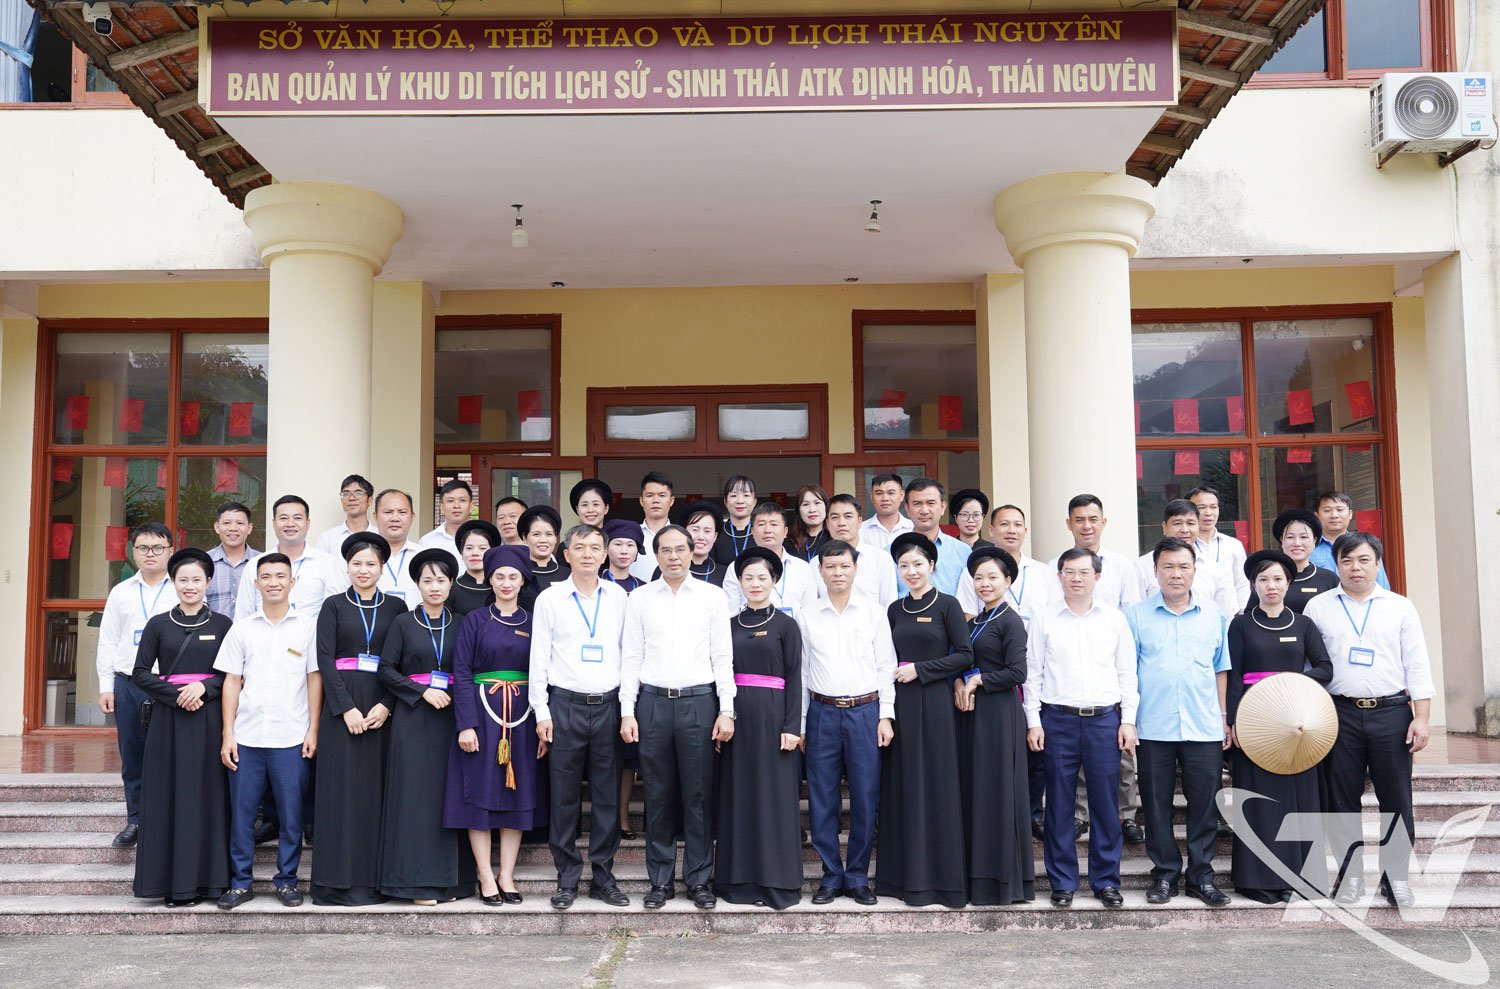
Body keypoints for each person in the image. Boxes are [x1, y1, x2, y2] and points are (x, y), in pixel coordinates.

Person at [1304, 531, 1434, 908]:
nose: (1355, 568)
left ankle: (1396, 879)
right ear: (1337, 565)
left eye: (1363, 560)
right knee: (1341, 800)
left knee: (1396, 799)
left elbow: (1418, 665)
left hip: (1392, 713)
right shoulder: (1320, 607)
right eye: (1347, 560)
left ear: (1378, 564)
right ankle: (1350, 877)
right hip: (1338, 714)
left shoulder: (1400, 607)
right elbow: (1310, 665)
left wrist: (1421, 718)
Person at [620, 525, 735, 911]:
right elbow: (631, 657)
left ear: (692, 552)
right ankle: (660, 881)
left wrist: (727, 709)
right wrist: (626, 710)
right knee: (657, 793)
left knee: (698, 795)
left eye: (680, 549)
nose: (673, 556)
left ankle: (699, 880)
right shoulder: (639, 599)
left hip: (699, 703)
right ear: (655, 555)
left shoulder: (712, 597)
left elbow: (723, 657)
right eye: (665, 550)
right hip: (652, 704)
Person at [1024, 548, 1138, 910]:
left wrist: (1128, 720)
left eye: (1084, 572)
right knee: (1059, 803)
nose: (1076, 578)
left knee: (1106, 804)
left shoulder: (1114, 619)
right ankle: (1063, 882)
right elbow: (1033, 674)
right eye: (1069, 571)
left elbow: (1127, 674)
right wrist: (1034, 721)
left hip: (1104, 720)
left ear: (1097, 577)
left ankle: (1106, 881)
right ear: (1059, 576)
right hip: (1057, 719)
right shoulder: (1044, 618)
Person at [528, 528, 632, 911]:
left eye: (595, 548)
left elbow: (629, 655)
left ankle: (603, 875)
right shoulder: (550, 598)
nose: (587, 554)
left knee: (607, 796)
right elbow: (538, 658)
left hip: (608, 705)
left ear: (605, 555)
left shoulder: (621, 598)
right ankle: (567, 876)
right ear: (566, 554)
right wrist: (541, 711)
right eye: (579, 548)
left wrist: (627, 709)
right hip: (564, 706)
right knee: (564, 795)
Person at [1130, 537, 1233, 908]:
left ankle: (1201, 877)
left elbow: (1221, 669)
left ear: (1194, 570)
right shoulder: (1136, 616)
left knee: (1204, 804)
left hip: (1203, 725)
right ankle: (1165, 875)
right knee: (1156, 805)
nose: (1176, 574)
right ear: (1155, 571)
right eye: (1168, 567)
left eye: (1183, 566)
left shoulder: (1213, 615)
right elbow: (1128, 672)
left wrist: (1223, 718)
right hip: (1153, 726)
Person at [1225, 550, 1333, 904]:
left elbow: (1324, 667)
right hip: (1254, 722)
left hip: (1295, 723)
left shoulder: (1302, 624)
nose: (1270, 586)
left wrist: (1289, 680)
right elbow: (1235, 677)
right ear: (1254, 585)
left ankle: (1301, 879)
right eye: (1263, 579)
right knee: (1259, 801)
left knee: (1297, 800)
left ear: (1289, 583)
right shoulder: (1241, 624)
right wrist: (1233, 722)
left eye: (1277, 579)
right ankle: (1259, 882)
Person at [214, 554, 321, 910]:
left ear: (292, 583)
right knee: (242, 815)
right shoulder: (243, 628)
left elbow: (313, 680)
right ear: (256, 583)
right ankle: (241, 882)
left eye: (280, 576)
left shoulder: (307, 627)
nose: (273, 581)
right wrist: (228, 734)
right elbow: (231, 681)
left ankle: (287, 881)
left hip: (291, 737)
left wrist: (313, 730)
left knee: (291, 816)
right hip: (247, 738)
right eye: (266, 576)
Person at [445, 544, 547, 905]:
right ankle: (485, 876)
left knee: (517, 794)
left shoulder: (535, 622)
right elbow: (460, 671)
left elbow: (543, 673)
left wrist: (541, 722)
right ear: (490, 579)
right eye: (499, 576)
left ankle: (507, 875)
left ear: (523, 581)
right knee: (480, 791)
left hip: (522, 716)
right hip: (482, 712)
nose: (506, 583)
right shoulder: (475, 619)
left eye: (513, 577)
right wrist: (465, 724)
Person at [131, 548, 234, 906]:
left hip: (209, 720)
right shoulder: (158, 624)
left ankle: (211, 881)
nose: (190, 586)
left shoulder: (223, 625)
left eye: (196, 579)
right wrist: (176, 694)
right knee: (170, 797)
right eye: (182, 580)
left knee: (208, 796)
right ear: (172, 583)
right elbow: (140, 672)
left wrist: (204, 688)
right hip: (169, 722)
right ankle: (174, 885)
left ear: (209, 582)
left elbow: (233, 675)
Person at [309, 532, 407, 906]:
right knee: (341, 794)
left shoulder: (397, 608)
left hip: (382, 710)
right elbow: (324, 659)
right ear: (346, 567)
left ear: (382, 568)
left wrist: (387, 705)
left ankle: (376, 881)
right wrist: (345, 707)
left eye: (371, 564)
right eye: (357, 564)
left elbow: (403, 662)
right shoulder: (333, 606)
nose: (363, 570)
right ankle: (336, 883)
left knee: (376, 795)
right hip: (342, 710)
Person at [877, 533, 972, 908]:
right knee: (903, 783)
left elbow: (964, 655)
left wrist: (922, 670)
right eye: (904, 566)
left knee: (936, 783)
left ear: (932, 566)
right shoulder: (894, 609)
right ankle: (901, 879)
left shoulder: (948, 605)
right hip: (900, 703)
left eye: (918, 564)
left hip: (935, 703)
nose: (911, 571)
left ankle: (942, 881)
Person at [377, 548, 476, 904]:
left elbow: (470, 671)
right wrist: (421, 692)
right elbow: (386, 670)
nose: (435, 587)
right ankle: (416, 884)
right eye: (427, 580)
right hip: (415, 718)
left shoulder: (464, 622)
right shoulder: (403, 623)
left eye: (442, 580)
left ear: (451, 584)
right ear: (417, 584)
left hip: (455, 717)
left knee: (451, 798)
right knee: (416, 797)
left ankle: (453, 883)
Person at [800, 540, 897, 906]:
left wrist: (885, 715)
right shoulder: (807, 615)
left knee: (865, 796)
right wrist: (804, 723)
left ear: (855, 569)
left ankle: (857, 876)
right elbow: (805, 673)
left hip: (865, 712)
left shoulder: (873, 612)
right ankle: (830, 874)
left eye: (844, 566)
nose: (837, 573)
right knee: (822, 798)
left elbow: (885, 666)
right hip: (823, 713)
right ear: (820, 570)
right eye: (830, 566)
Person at [715, 546, 805, 909]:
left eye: (762, 577)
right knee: (739, 797)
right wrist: (720, 718)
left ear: (774, 581)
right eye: (748, 577)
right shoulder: (728, 625)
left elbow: (796, 676)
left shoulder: (786, 625)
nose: (755, 583)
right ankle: (738, 881)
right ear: (739, 582)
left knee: (775, 800)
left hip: (775, 718)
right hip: (736, 719)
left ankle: (777, 884)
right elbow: (720, 674)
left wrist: (792, 726)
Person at [95, 521, 178, 849]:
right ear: (133, 552)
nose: (151, 554)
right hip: (129, 683)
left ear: (170, 551)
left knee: (172, 752)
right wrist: (106, 685)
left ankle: (168, 818)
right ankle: (137, 819)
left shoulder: (180, 588)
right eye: (143, 548)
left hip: (169, 684)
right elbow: (109, 639)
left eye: (158, 548)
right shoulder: (121, 592)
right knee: (133, 753)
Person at [961, 546, 1035, 906]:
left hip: (1000, 713)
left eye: (992, 577)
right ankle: (978, 876)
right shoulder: (975, 621)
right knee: (978, 792)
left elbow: (1017, 673)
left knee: (1000, 792)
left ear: (1008, 581)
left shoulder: (1010, 620)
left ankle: (1004, 881)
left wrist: (978, 681)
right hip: (973, 715)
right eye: (978, 577)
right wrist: (963, 681)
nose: (984, 583)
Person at [985, 503, 1059, 839]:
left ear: (1025, 531)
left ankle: (1032, 813)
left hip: (1038, 664)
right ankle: (1003, 814)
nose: (1011, 530)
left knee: (1036, 743)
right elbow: (965, 615)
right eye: (1004, 524)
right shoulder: (979, 570)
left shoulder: (1043, 572)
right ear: (992, 531)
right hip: (994, 669)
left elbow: (1056, 617)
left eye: (1017, 524)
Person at [234, 495, 344, 618]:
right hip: (263, 636)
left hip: (311, 636)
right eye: (283, 518)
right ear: (274, 523)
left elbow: (337, 612)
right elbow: (243, 615)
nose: (290, 524)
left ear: (308, 523)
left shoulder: (327, 563)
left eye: (297, 518)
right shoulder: (255, 564)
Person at [1135, 499, 1239, 617]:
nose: (1184, 529)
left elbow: (1225, 614)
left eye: (1190, 523)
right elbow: (1136, 612)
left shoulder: (1213, 568)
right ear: (1164, 527)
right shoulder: (1142, 566)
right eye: (1177, 523)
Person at [721, 503, 819, 620]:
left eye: (774, 524)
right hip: (750, 634)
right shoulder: (736, 568)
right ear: (752, 531)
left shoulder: (803, 568)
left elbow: (811, 612)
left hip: (794, 635)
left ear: (785, 531)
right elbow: (731, 613)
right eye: (761, 524)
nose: (767, 530)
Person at [1051, 494, 1140, 612]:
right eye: (1079, 520)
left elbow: (1132, 611)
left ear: (1103, 522)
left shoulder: (1122, 566)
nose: (1087, 526)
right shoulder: (1054, 567)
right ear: (1069, 524)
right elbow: (1052, 609)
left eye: (1093, 520)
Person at [903, 478, 980, 615]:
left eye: (931, 503)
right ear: (907, 509)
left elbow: (971, 601)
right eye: (917, 504)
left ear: (943, 507)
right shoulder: (891, 553)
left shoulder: (963, 552)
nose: (924, 510)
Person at [824, 494, 899, 607]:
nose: (841, 523)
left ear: (860, 522)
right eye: (835, 517)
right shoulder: (818, 563)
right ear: (828, 524)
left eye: (848, 516)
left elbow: (889, 605)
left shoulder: (880, 558)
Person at [1310, 492, 1390, 590]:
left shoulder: (1366, 546)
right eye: (1327, 510)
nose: (1334, 515)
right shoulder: (1308, 548)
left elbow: (1382, 586)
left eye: (1339, 510)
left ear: (1350, 514)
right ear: (1316, 515)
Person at [1268, 509, 1340, 612]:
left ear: (1314, 541)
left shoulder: (1330, 579)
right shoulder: (1267, 577)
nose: (1297, 543)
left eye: (1303, 537)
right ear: (1281, 541)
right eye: (1290, 537)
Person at [1188, 486, 1249, 604]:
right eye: (1201, 508)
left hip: (1230, 616)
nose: (1208, 513)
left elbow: (1242, 584)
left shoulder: (1233, 545)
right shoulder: (1185, 546)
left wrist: (1241, 612)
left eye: (1213, 507)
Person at [205, 501, 261, 620]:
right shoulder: (203, 563)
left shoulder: (262, 562)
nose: (233, 528)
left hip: (253, 635)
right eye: (226, 523)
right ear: (217, 527)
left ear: (249, 528)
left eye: (240, 523)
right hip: (213, 635)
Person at [371, 489, 422, 607]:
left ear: (412, 516)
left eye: (402, 512)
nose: (395, 518)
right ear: (375, 516)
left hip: (415, 624)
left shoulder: (425, 557)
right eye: (388, 512)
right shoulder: (361, 556)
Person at [630, 471, 676, 582]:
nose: (656, 500)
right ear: (641, 501)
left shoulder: (680, 536)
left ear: (671, 500)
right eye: (649, 495)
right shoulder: (631, 535)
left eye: (662, 495)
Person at [315, 474, 377, 557]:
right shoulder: (327, 538)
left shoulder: (380, 535)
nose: (351, 498)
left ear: (370, 500)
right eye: (346, 494)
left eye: (358, 493)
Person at [450, 519, 501, 616]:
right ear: (461, 552)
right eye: (469, 548)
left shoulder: (502, 587)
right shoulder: (451, 589)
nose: (475, 553)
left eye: (482, 548)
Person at [419, 479, 475, 562]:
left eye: (462, 500)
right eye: (450, 501)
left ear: (471, 506)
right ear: (441, 507)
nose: (456, 506)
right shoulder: (427, 541)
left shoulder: (484, 538)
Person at [521, 505, 571, 592]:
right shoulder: (518, 574)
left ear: (556, 538)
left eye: (549, 534)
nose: (543, 540)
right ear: (525, 538)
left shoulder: (569, 575)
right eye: (536, 534)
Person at [859, 473, 913, 552]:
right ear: (871, 497)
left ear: (902, 495)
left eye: (891, 493)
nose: (885, 498)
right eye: (879, 493)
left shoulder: (913, 528)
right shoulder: (860, 530)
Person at [712, 475, 758, 566]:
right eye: (733, 495)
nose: (740, 501)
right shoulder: (716, 533)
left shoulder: (763, 533)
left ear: (754, 501)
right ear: (725, 501)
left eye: (746, 495)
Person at [681, 501, 728, 586]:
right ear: (684, 533)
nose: (701, 537)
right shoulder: (669, 569)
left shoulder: (725, 574)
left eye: (707, 531)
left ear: (715, 537)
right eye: (695, 530)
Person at [787, 484, 832, 563]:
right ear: (798, 511)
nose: (812, 509)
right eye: (805, 504)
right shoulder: (789, 543)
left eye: (817, 503)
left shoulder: (835, 539)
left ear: (826, 506)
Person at [601, 518, 647, 593]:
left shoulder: (643, 588)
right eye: (618, 544)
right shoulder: (595, 584)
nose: (624, 551)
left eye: (630, 545)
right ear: (606, 549)